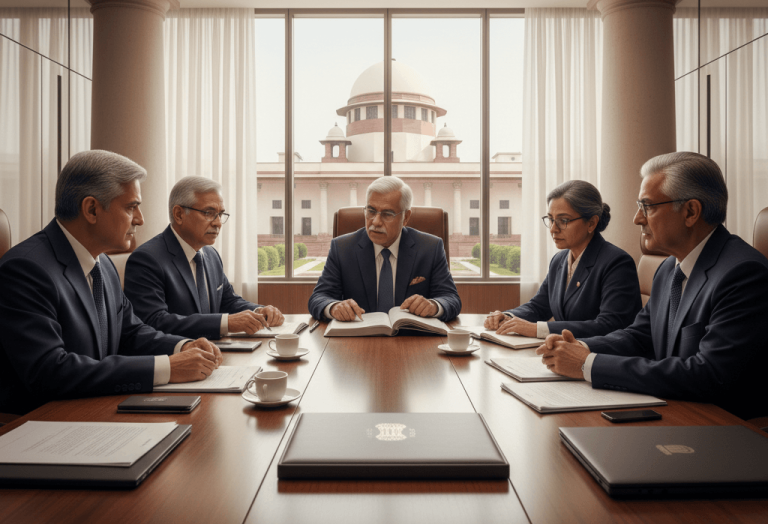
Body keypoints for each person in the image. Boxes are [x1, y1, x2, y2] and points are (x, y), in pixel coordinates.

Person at [538, 152, 768, 419]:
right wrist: (581, 348)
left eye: (647, 206)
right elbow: (639, 336)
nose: (637, 218)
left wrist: (587, 364)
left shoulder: (742, 273)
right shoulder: (669, 268)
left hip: (721, 428)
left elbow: (709, 374)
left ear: (691, 211)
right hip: (676, 411)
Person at [0, 151, 222, 416]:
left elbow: (131, 333)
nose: (140, 219)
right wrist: (168, 367)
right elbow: (50, 371)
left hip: (96, 410)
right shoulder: (26, 269)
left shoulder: (103, 264)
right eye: (131, 207)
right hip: (42, 426)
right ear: (92, 209)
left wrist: (182, 346)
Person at [124, 176, 284, 339]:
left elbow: (228, 301)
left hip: (214, 354)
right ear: (179, 214)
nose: (218, 223)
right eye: (209, 213)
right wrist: (226, 323)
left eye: (220, 214)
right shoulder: (147, 259)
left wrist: (259, 311)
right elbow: (154, 321)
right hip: (178, 358)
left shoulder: (211, 254)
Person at [485, 180, 641, 339]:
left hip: (599, 358)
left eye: (563, 220)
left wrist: (536, 329)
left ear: (592, 223)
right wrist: (508, 316)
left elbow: (609, 325)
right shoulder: (559, 260)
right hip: (562, 353)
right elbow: (539, 306)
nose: (553, 229)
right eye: (551, 219)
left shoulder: (617, 263)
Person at [308, 176, 461, 322]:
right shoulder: (342, 248)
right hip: (358, 339)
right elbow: (319, 297)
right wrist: (334, 307)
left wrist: (433, 306)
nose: (376, 221)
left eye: (387, 214)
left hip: (411, 338)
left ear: (405, 218)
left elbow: (450, 298)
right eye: (371, 211)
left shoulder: (430, 248)